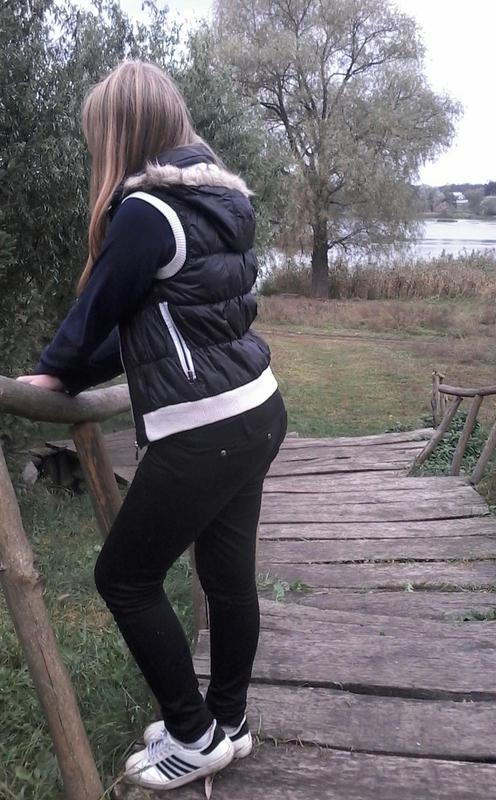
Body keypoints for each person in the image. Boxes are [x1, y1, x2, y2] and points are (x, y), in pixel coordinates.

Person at [16, 59, 287, 791]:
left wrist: (52, 372)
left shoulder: (145, 213)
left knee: (124, 578)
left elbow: (96, 316)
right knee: (227, 578)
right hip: (257, 408)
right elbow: (144, 326)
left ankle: (195, 735)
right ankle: (230, 722)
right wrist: (68, 374)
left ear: (121, 132)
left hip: (205, 426)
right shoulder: (218, 206)